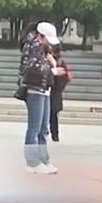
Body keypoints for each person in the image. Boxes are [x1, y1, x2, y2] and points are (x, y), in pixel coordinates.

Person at [18, 22, 60, 174]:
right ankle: (32, 162)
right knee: (34, 127)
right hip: (35, 88)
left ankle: (43, 159)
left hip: (44, 89)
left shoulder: (43, 48)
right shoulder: (32, 47)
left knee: (43, 128)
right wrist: (52, 68)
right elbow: (32, 68)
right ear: (41, 36)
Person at [48, 44, 72, 142]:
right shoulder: (60, 62)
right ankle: (55, 134)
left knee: (51, 114)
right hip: (56, 91)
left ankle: (52, 133)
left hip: (53, 90)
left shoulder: (57, 62)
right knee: (53, 115)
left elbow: (64, 76)